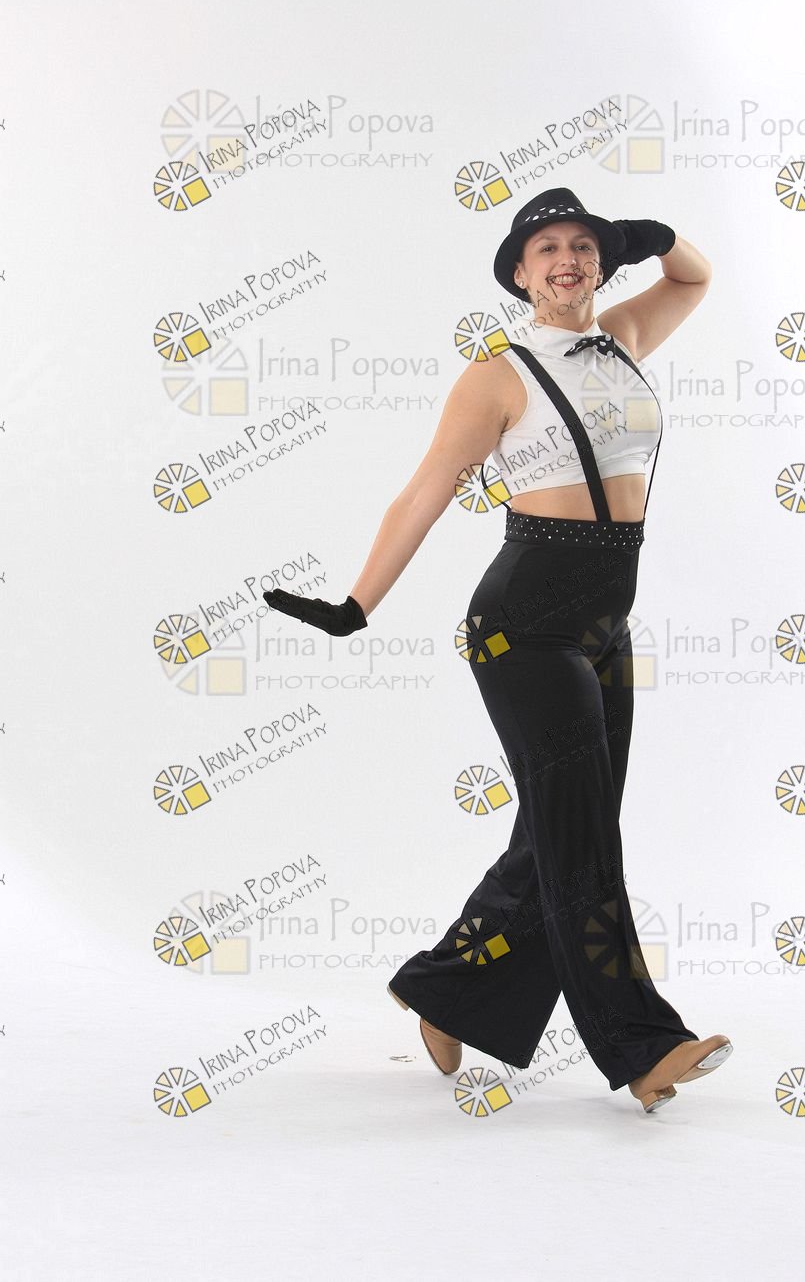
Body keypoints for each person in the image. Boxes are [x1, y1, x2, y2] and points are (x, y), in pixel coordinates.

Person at [264, 187, 733, 1114]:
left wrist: (646, 235)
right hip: (525, 623)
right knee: (581, 834)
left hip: (607, 621)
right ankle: (643, 1046)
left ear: (601, 265)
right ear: (519, 275)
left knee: (562, 824)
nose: (567, 260)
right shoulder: (496, 377)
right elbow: (424, 492)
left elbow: (694, 276)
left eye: (584, 246)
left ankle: (446, 988)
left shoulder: (623, 339)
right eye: (546, 249)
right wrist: (356, 606)